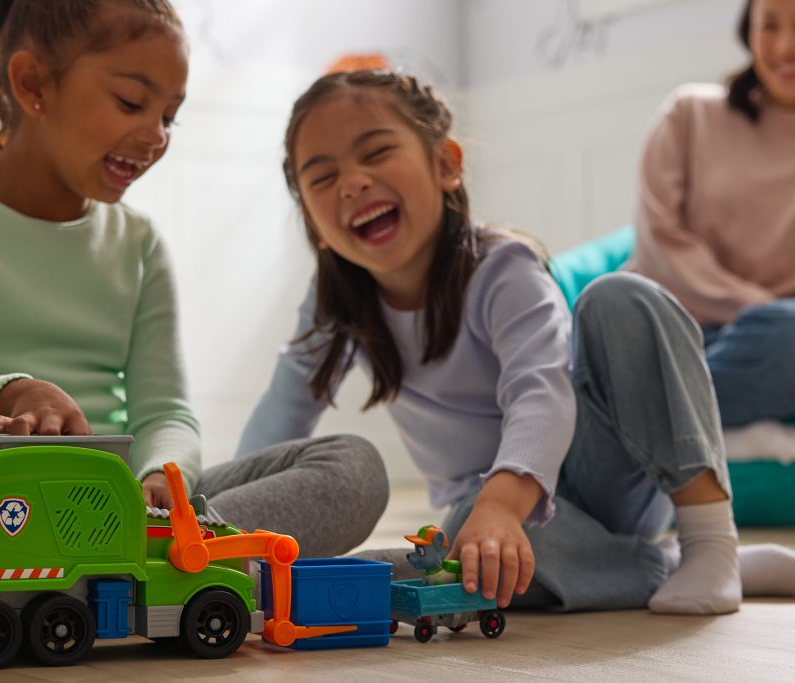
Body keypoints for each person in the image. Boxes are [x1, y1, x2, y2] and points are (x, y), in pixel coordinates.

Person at [237, 68, 795, 614]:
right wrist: (228, 522)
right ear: (312, 221)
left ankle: (710, 543)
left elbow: (541, 392)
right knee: (453, 549)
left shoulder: (501, 267)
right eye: (323, 177)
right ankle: (660, 565)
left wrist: (503, 504)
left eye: (377, 152)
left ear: (446, 164)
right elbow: (282, 414)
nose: (353, 182)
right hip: (506, 520)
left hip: (595, 475)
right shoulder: (336, 302)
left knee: (622, 296)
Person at [0, 0, 388, 560]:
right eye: (130, 102)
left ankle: (162, 551)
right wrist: (17, 394)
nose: (156, 136)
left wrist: (161, 474)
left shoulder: (139, 243)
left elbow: (165, 411)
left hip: (113, 503)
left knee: (353, 465)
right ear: (32, 85)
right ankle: (187, 560)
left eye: (169, 116)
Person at [631, 0, 795, 430]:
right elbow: (658, 239)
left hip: (773, 344)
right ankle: (706, 428)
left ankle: (641, 425)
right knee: (608, 306)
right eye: (770, 26)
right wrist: (751, 305)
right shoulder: (689, 113)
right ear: (748, 32)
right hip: (673, 324)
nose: (785, 47)